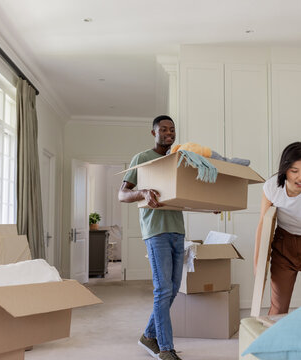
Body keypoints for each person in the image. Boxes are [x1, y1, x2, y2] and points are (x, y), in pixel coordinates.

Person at [118, 115, 184, 360]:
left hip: (178, 230)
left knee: (173, 289)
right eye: (164, 129)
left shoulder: (178, 159)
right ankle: (165, 348)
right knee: (163, 289)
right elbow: (122, 194)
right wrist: (142, 193)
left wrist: (209, 204)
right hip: (155, 232)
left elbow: (187, 193)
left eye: (172, 129)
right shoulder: (142, 158)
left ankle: (148, 336)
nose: (169, 133)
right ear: (153, 132)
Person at [254, 142, 301, 315]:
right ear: (285, 169)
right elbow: (263, 225)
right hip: (283, 246)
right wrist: (258, 263)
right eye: (294, 171)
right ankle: (275, 341)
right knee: (278, 308)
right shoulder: (272, 187)